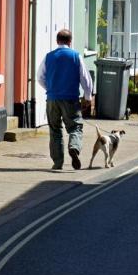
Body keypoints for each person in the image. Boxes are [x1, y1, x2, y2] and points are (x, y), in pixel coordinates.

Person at [37, 28, 94, 170]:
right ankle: (74, 147)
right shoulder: (75, 56)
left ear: (57, 41)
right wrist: (88, 97)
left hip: (52, 99)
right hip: (70, 98)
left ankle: (57, 163)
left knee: (55, 130)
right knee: (75, 127)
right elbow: (85, 79)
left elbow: (40, 77)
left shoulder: (48, 56)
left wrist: (50, 89)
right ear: (70, 41)